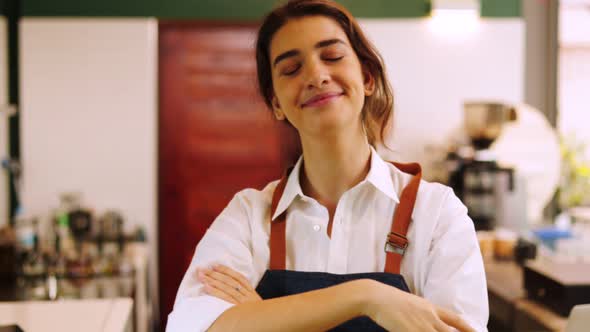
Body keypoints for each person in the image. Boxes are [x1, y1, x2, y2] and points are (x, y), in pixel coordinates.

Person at [166, 0, 488, 331]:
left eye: (332, 56)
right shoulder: (248, 216)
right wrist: (366, 297)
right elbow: (190, 326)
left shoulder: (437, 214)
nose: (316, 76)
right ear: (276, 104)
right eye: (291, 69)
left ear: (367, 78)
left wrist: (264, 317)